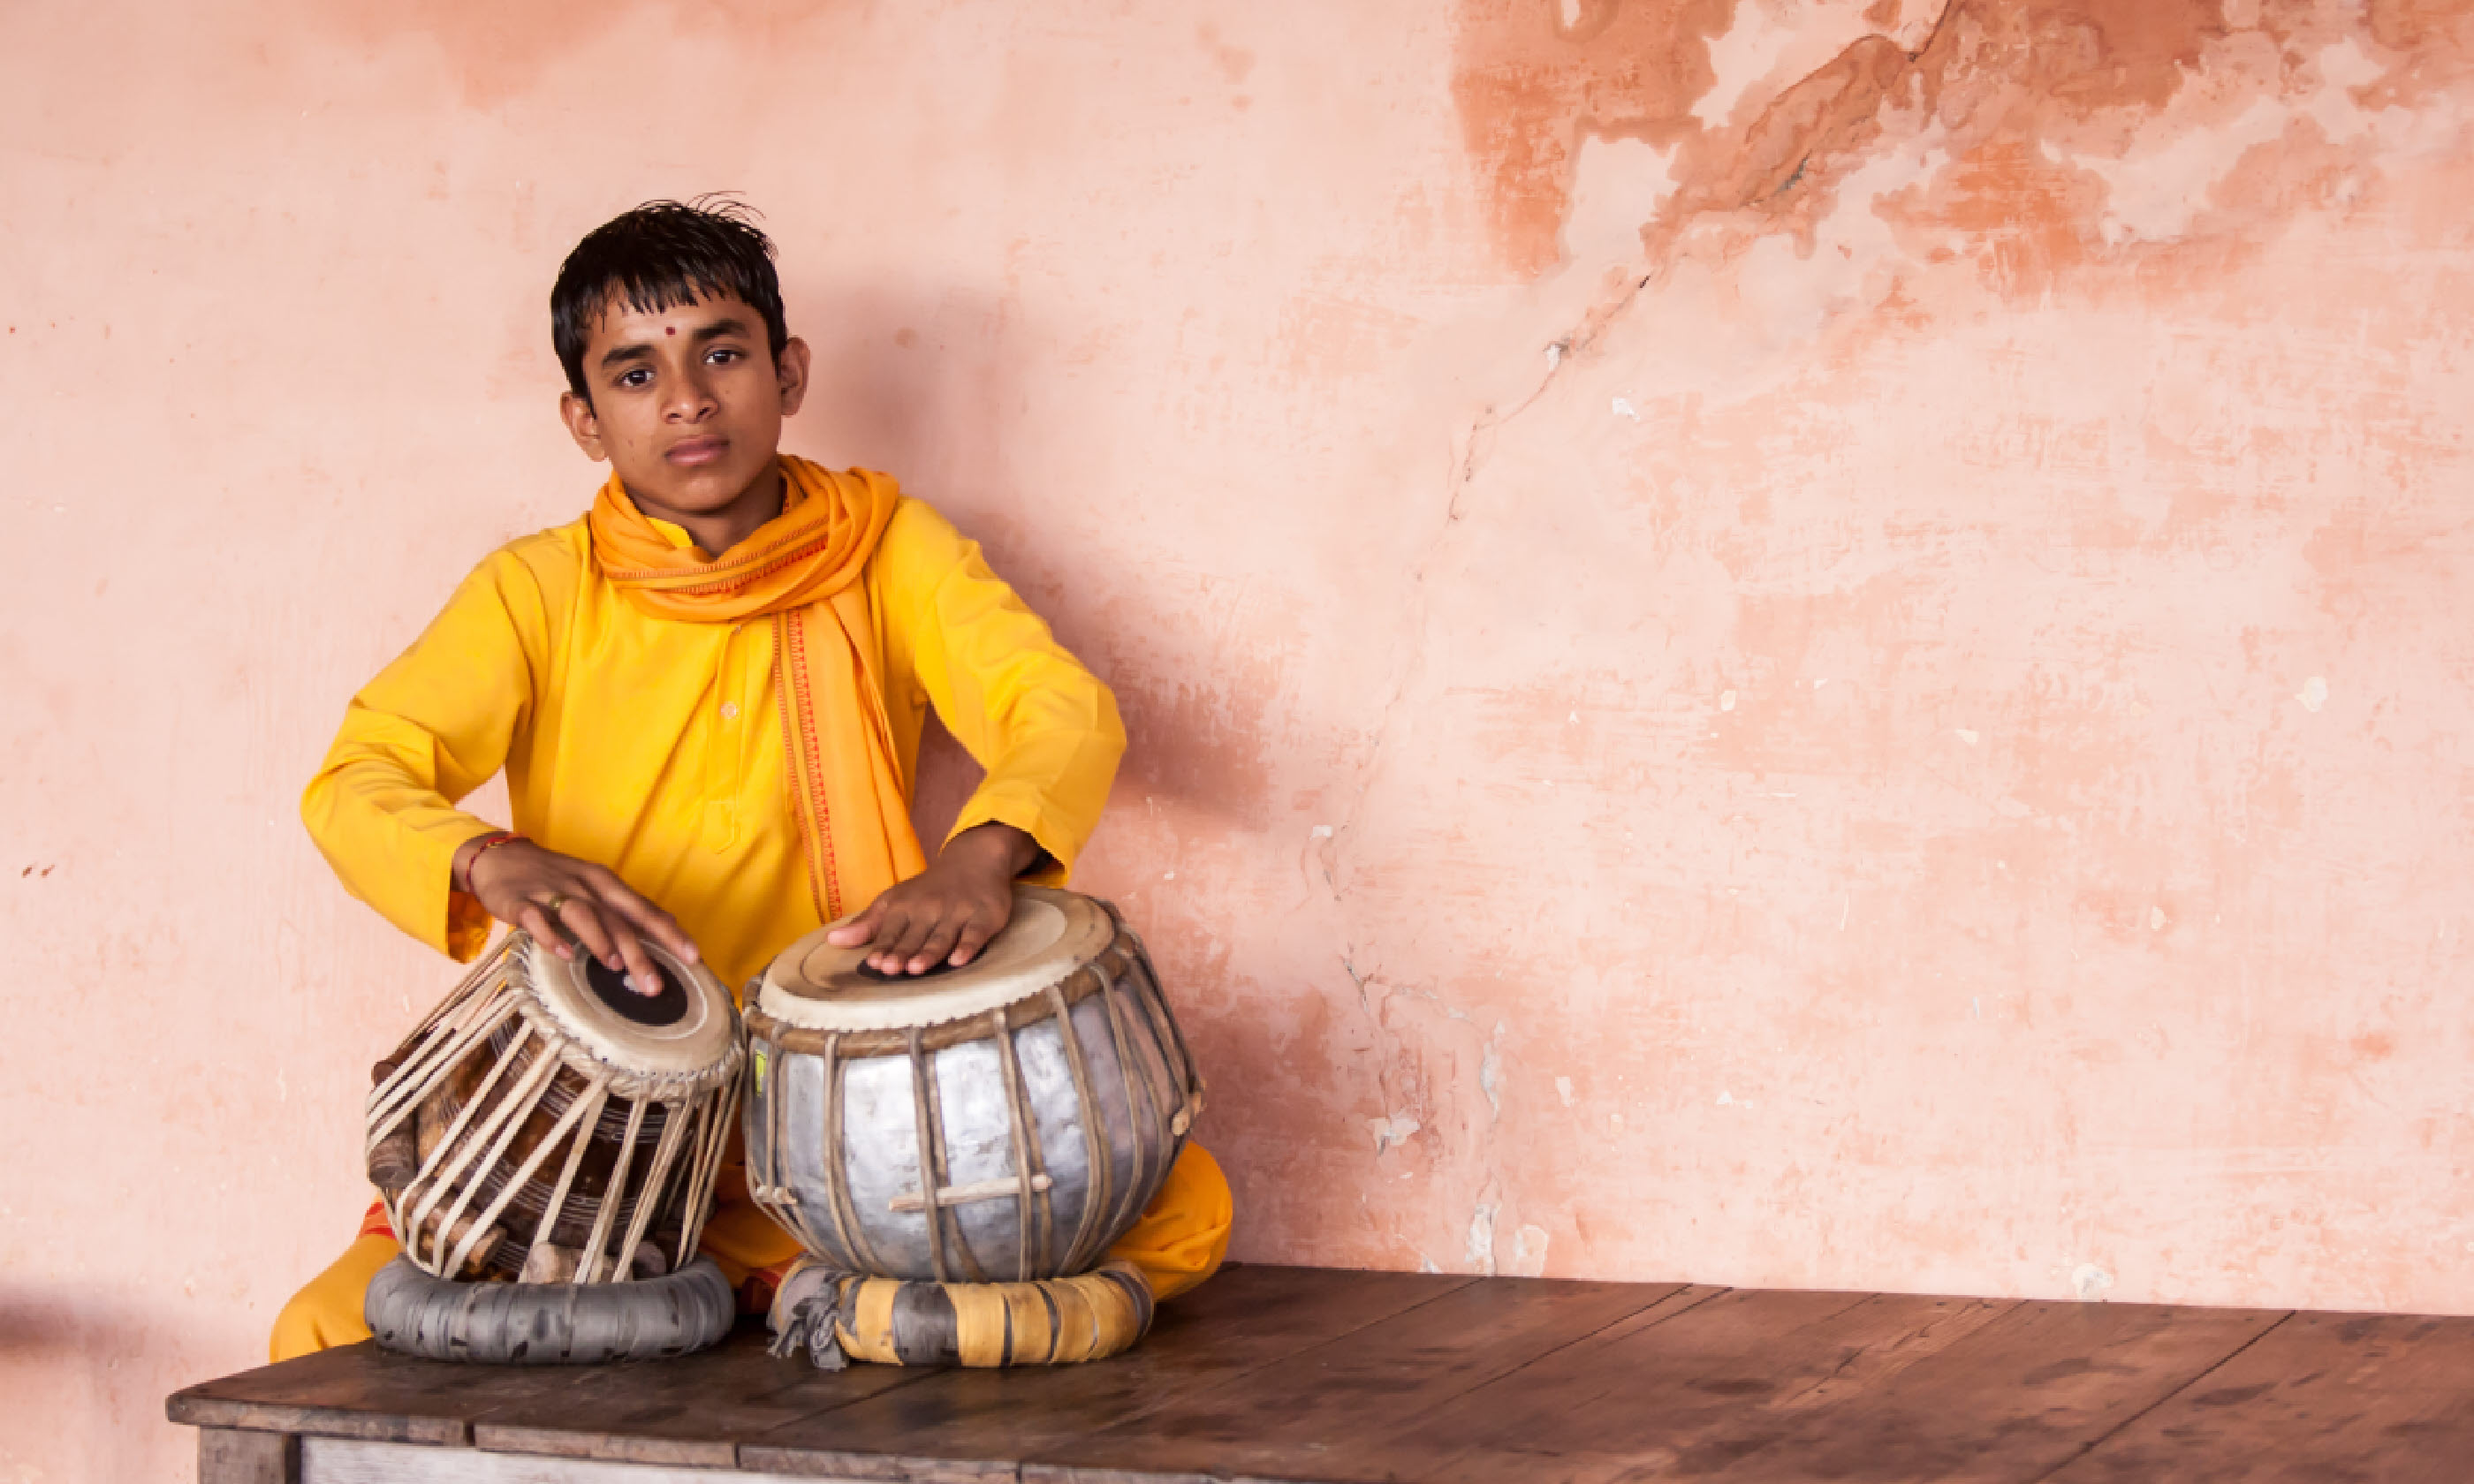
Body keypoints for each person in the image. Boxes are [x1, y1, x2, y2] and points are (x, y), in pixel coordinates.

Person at [269, 199, 1230, 1360]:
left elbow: (1056, 704)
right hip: (603, 1114)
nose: (687, 398)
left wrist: (981, 860)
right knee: (322, 1330)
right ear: (584, 420)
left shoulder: (889, 550)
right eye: (635, 373)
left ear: (789, 370)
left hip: (846, 1094)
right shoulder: (535, 592)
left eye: (722, 353)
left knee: (1187, 1211)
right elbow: (355, 776)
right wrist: (490, 857)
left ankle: (763, 1276)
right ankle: (822, 1297)